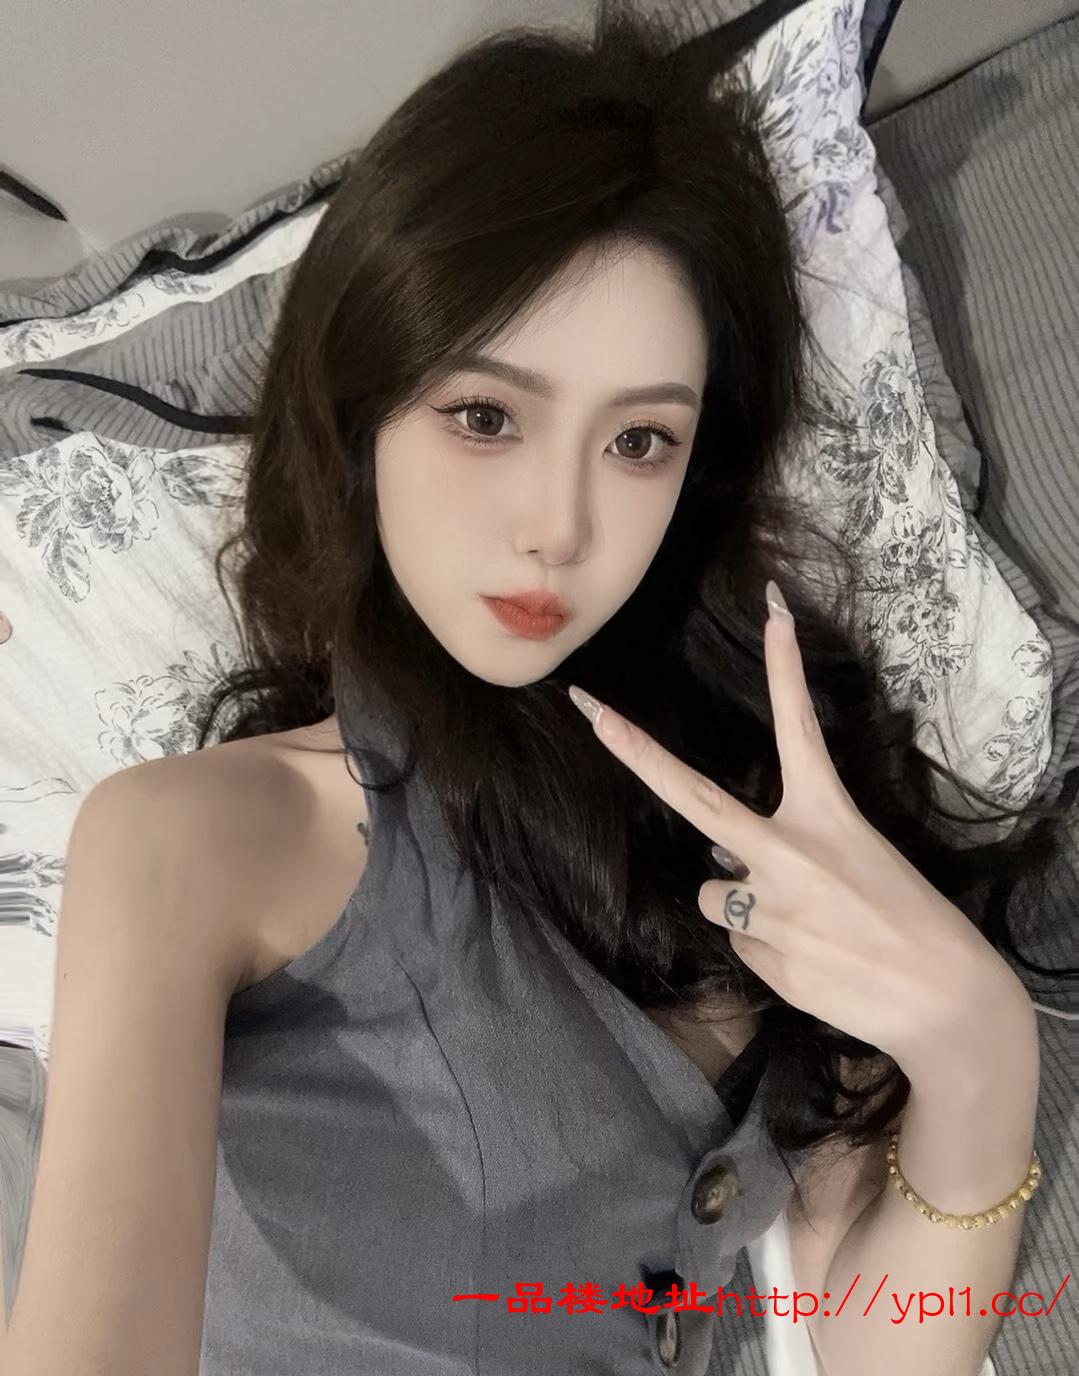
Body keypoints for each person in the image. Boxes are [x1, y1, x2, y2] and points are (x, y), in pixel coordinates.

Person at [4, 2, 1072, 1374]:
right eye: (485, 417)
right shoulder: (201, 840)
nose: (558, 527)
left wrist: (981, 1052)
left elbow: (886, 1349)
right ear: (360, 415)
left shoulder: (761, 818)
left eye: (638, 441)